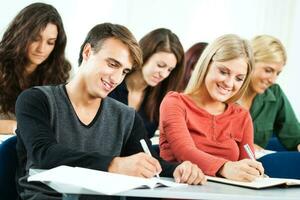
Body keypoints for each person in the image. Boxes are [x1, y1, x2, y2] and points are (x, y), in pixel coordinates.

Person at [15, 23, 206, 200]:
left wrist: (178, 169)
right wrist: (114, 164)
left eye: (124, 71)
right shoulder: (36, 100)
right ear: (88, 52)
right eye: (113, 64)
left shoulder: (127, 117)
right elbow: (44, 154)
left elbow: (150, 164)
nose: (116, 78)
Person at [159, 34, 265, 182]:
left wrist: (252, 171)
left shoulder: (242, 115)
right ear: (206, 64)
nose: (229, 83)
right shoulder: (175, 103)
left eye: (239, 78)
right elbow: (185, 152)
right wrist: (225, 167)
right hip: (183, 193)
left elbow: (247, 167)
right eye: (223, 72)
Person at [0, 2, 71, 134]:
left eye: (50, 42)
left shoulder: (64, 73)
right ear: (20, 35)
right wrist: (15, 126)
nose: (41, 49)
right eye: (35, 39)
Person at [239, 35, 300, 179]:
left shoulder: (274, 93)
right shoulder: (227, 90)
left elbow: (294, 135)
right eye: (268, 70)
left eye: (278, 73)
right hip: (228, 165)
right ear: (250, 62)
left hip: (257, 169)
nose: (273, 79)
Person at [109, 28, 185, 138]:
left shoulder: (160, 97)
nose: (164, 74)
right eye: (160, 65)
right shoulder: (111, 83)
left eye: (169, 69)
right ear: (145, 55)